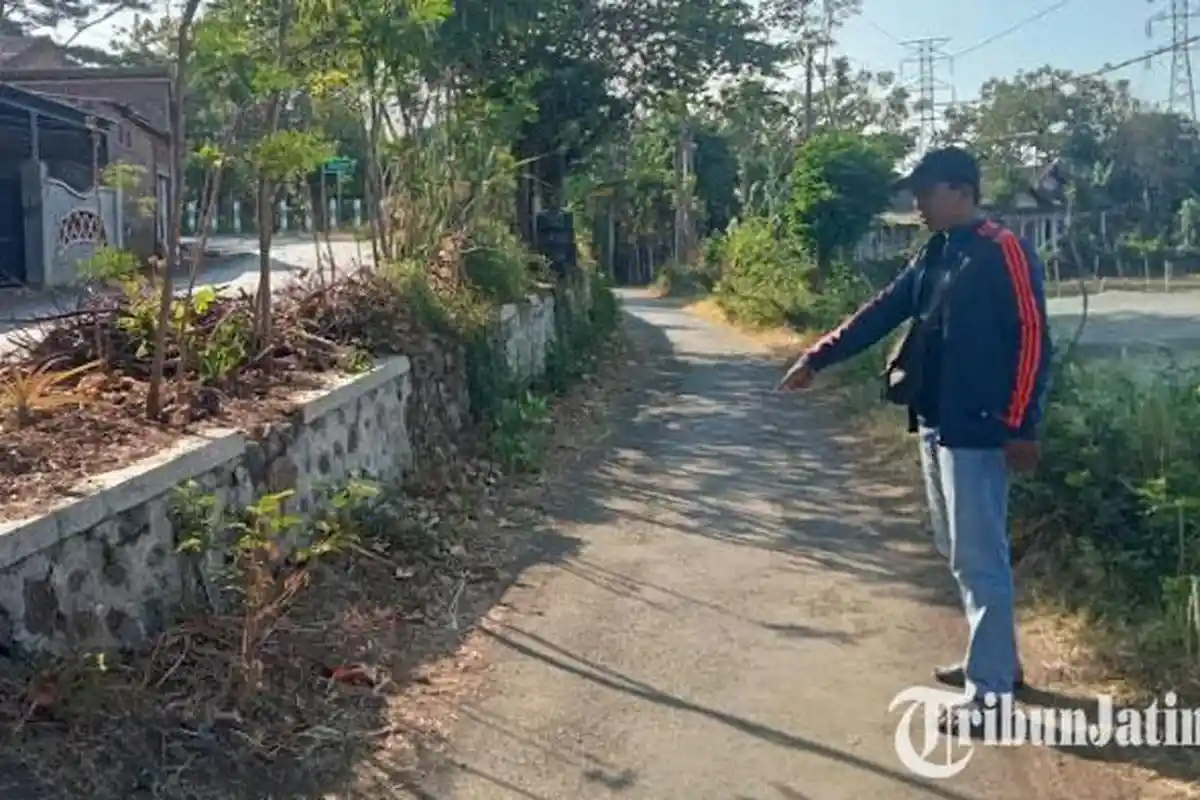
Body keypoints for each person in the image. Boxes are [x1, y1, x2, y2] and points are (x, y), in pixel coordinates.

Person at [777, 146, 1051, 734]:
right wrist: (817, 357)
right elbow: (882, 311)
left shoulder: (1003, 251)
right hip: (936, 421)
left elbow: (1032, 339)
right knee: (959, 549)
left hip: (981, 428)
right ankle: (996, 662)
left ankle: (992, 698)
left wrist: (1021, 424)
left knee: (980, 559)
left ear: (959, 192)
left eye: (925, 194)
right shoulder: (936, 251)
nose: (917, 204)